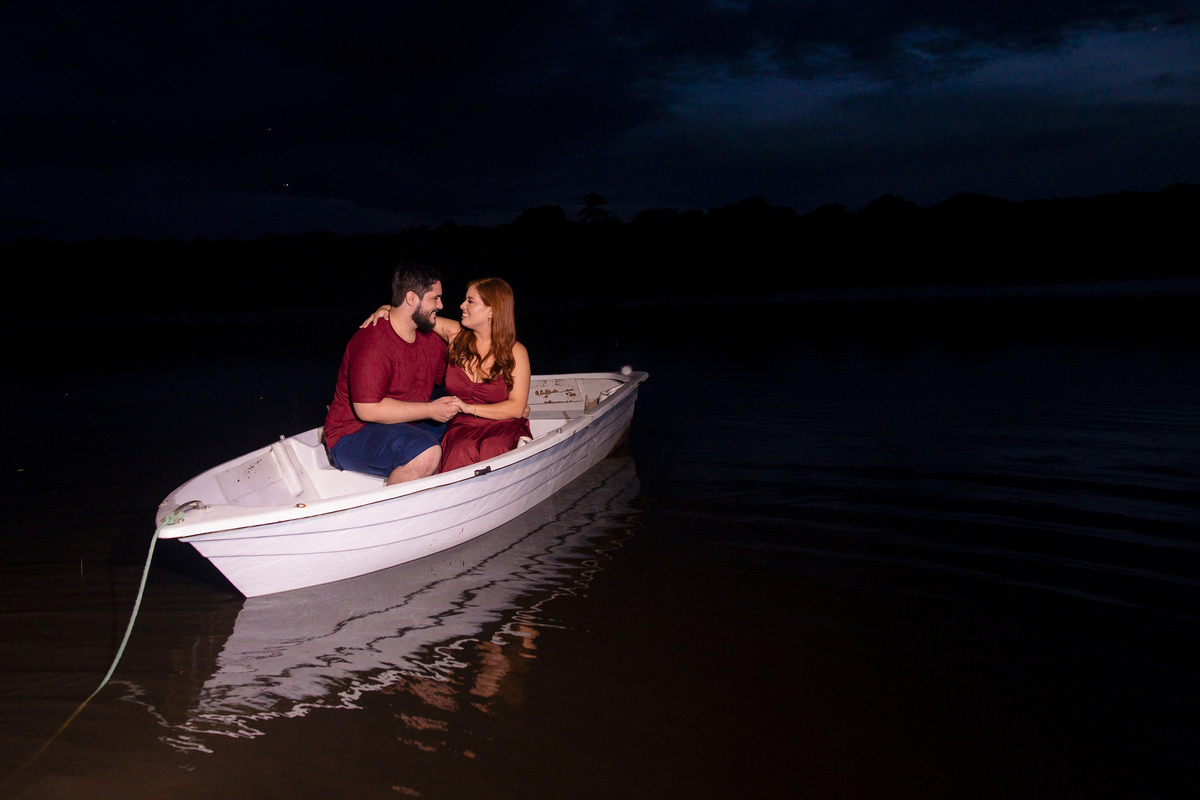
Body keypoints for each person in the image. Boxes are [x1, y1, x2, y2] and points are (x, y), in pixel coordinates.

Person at [363, 277, 532, 474]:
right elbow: (414, 314)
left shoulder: (516, 352)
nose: (462, 305)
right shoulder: (455, 334)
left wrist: (468, 408)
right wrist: (385, 308)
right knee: (461, 450)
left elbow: (517, 407)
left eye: (470, 301)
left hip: (503, 426)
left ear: (491, 310)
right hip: (463, 428)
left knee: (494, 447)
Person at [324, 263, 459, 485]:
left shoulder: (428, 341)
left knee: (464, 421)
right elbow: (368, 410)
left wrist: (505, 402)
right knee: (427, 453)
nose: (441, 305)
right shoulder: (373, 342)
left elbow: (456, 382)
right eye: (435, 298)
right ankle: (392, 515)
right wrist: (430, 409)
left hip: (400, 425)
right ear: (411, 298)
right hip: (350, 435)